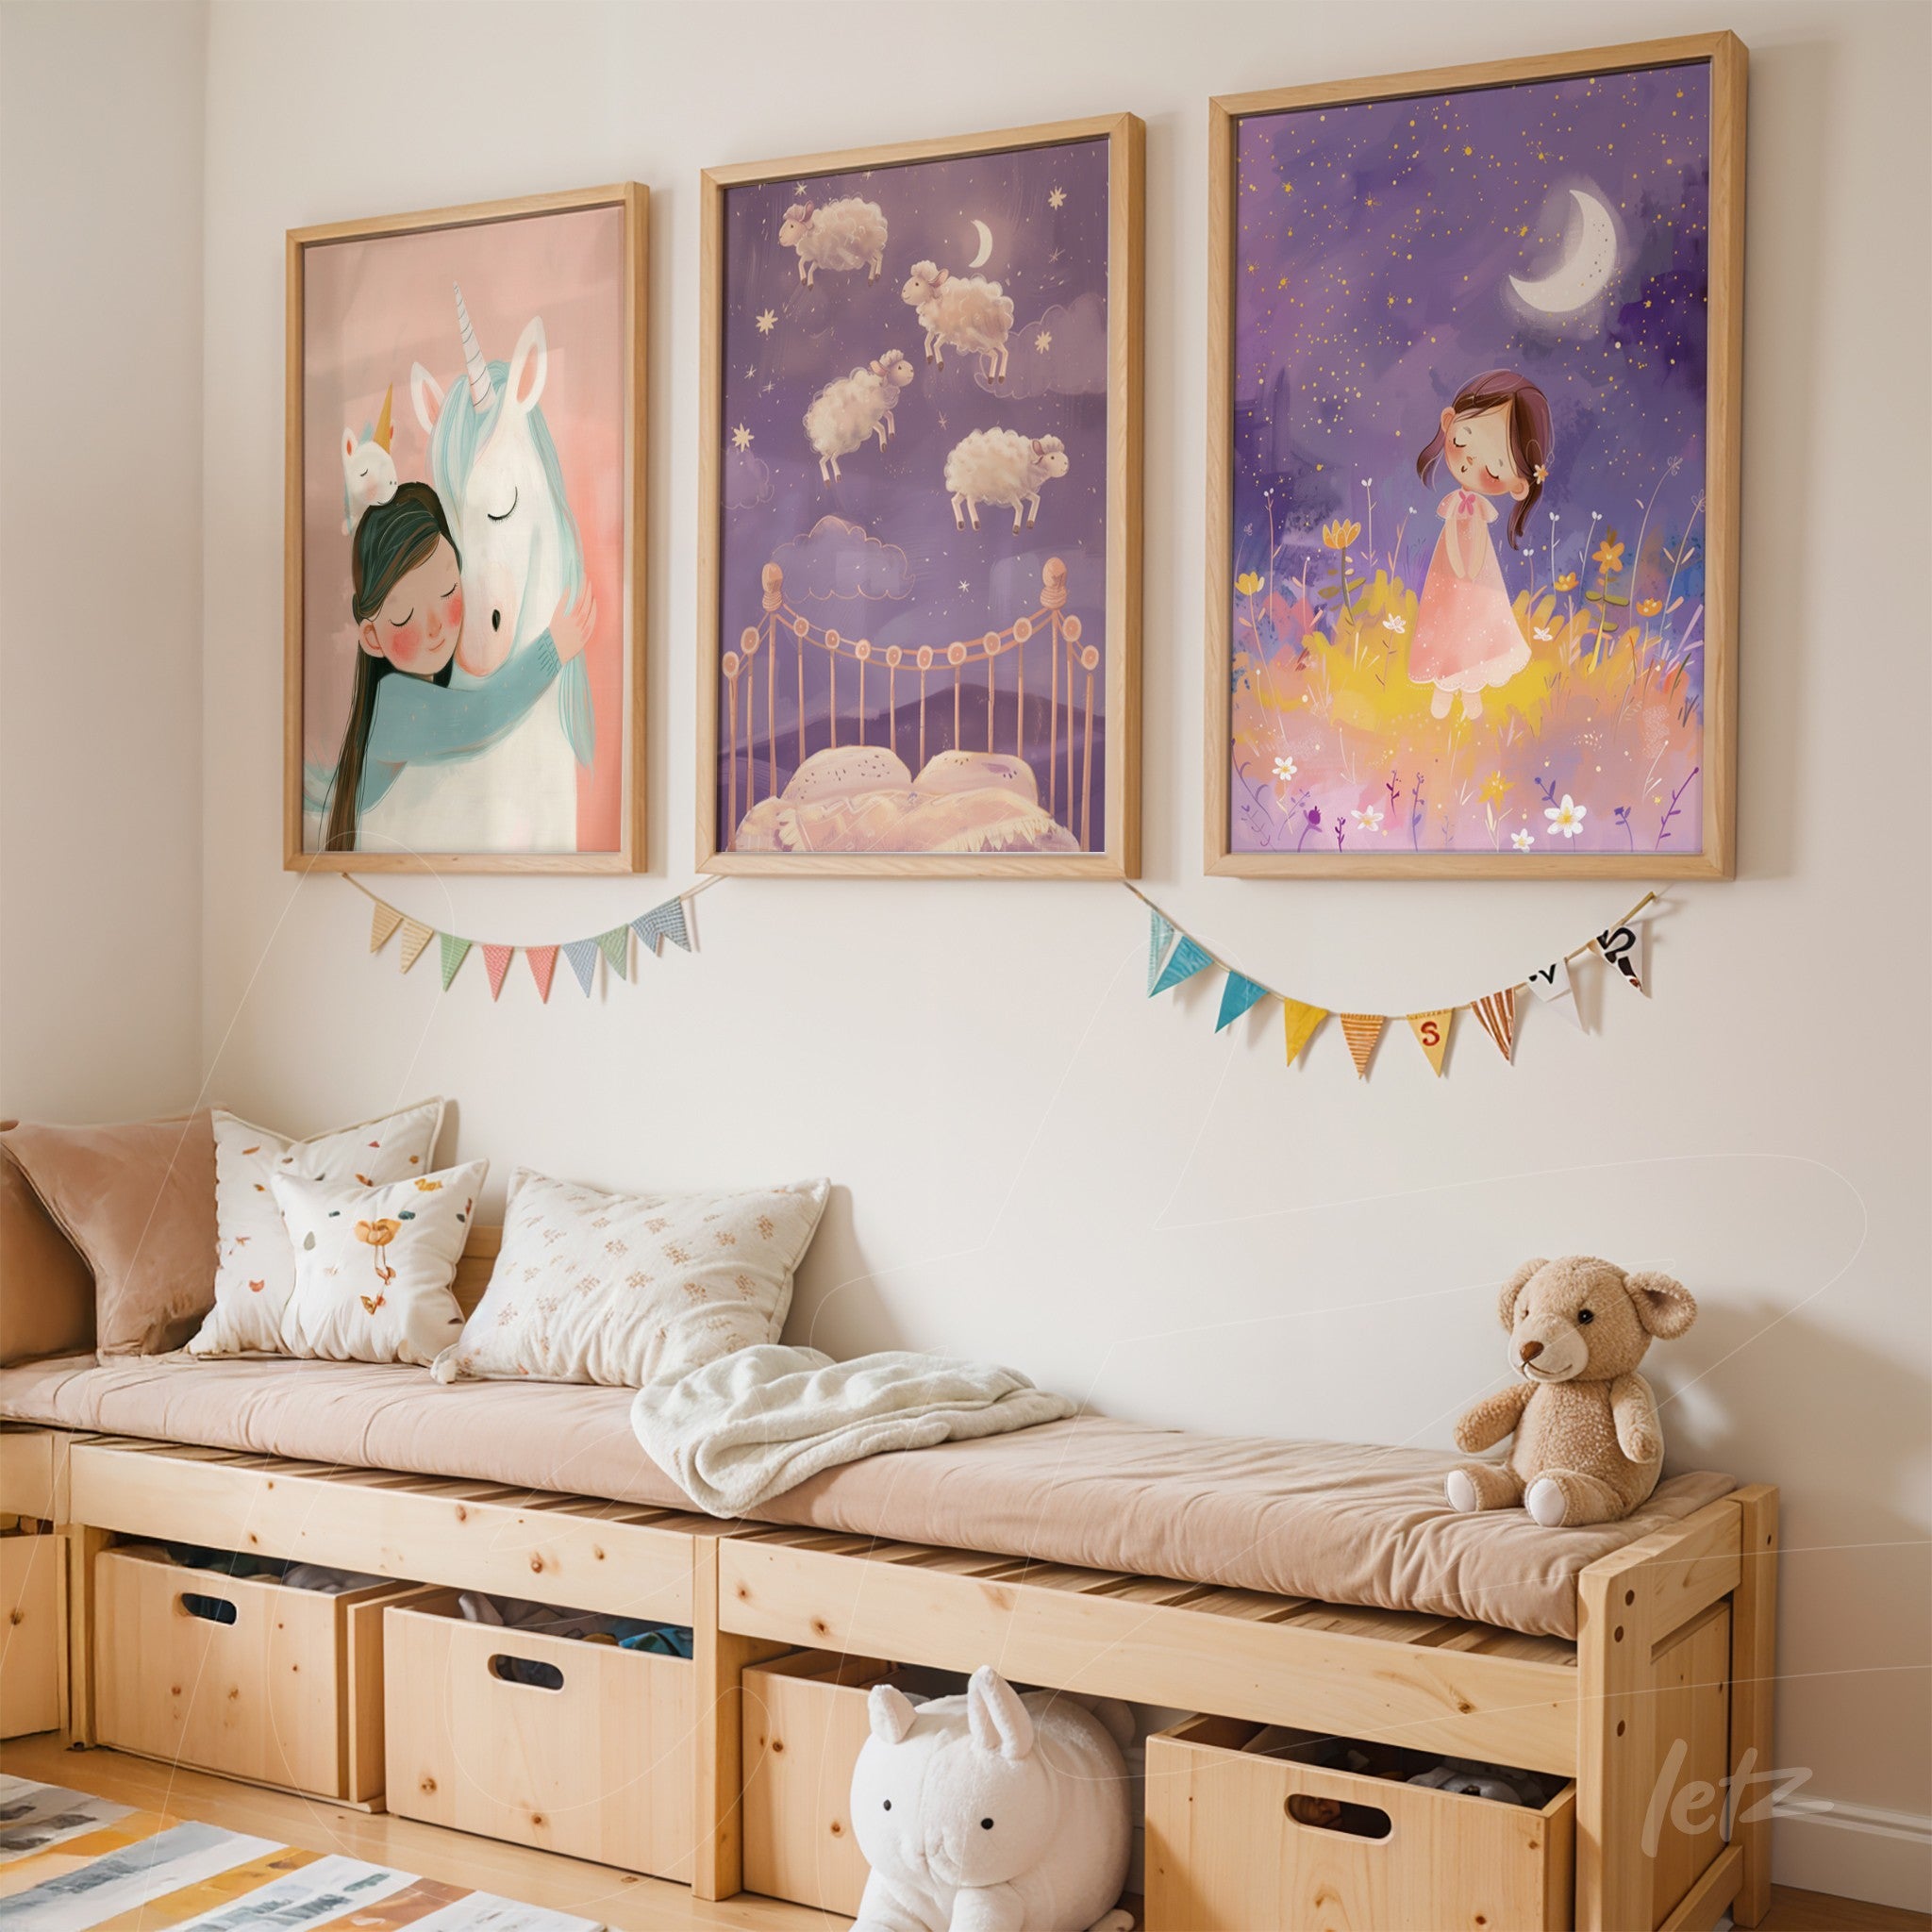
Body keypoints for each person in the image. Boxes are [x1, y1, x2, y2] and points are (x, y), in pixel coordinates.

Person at [319, 482, 592, 853]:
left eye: (447, 590)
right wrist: (552, 650)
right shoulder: (393, 705)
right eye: (404, 615)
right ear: (371, 636)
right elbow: (478, 716)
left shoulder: (435, 691)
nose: (434, 626)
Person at [1408, 370, 1552, 722]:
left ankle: (1471, 690)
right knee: (1445, 626)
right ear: (1449, 422)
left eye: (1495, 468)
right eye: (1464, 439)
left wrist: (1470, 572)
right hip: (1448, 578)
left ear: (1519, 486)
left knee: (1475, 630)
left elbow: (1475, 548)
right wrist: (1459, 570)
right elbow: (1452, 542)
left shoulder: (1479, 511)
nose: (1472, 461)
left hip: (1479, 581)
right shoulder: (1454, 505)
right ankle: (1444, 688)